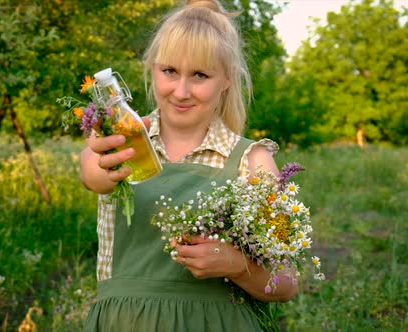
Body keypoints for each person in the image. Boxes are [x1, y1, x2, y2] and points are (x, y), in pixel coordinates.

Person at [80, 0, 298, 330]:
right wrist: (104, 166)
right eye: (169, 71)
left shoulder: (253, 161)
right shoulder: (116, 141)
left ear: (226, 79)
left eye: (200, 75)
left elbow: (287, 283)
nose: (181, 92)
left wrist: (237, 266)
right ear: (151, 67)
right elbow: (92, 174)